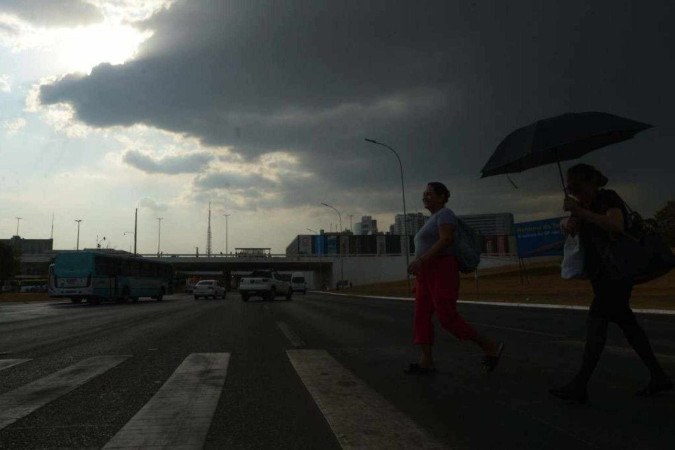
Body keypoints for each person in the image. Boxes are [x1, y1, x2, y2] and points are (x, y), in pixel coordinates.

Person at [550, 163, 672, 403]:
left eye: (576, 187)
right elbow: (578, 230)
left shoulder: (608, 198)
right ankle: (659, 375)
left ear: (590, 183)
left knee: (596, 324)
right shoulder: (582, 206)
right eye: (570, 189)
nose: (573, 192)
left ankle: (580, 384)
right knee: (628, 325)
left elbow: (616, 226)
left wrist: (581, 213)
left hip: (617, 275)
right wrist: (569, 223)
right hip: (603, 276)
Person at [406, 182, 504, 374]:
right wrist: (421, 275)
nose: (425, 197)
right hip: (426, 274)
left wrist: (422, 260)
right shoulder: (431, 219)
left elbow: (446, 239)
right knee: (421, 317)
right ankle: (426, 361)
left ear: (442, 197)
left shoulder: (445, 214)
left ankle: (489, 346)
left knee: (447, 317)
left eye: (430, 194)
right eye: (424, 194)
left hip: (442, 269)